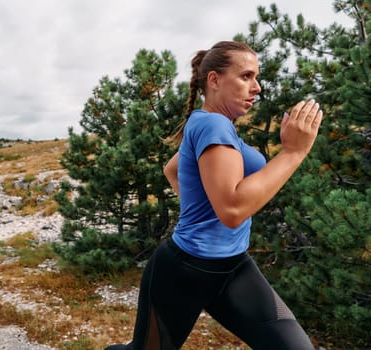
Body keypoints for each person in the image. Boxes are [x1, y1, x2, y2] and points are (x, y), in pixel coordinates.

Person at [106, 41, 323, 349]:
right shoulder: (213, 124)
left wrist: (200, 209)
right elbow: (233, 210)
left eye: (256, 77)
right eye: (246, 76)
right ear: (214, 80)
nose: (257, 87)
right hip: (184, 272)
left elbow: (172, 169)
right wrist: (292, 152)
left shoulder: (206, 122)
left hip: (234, 268)